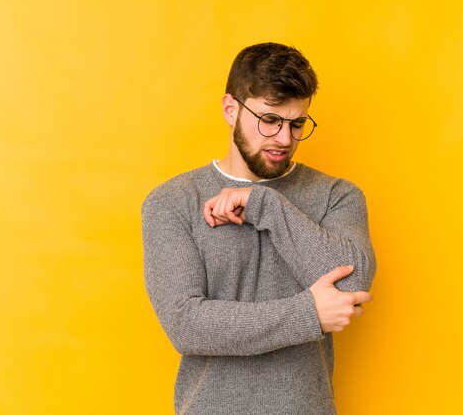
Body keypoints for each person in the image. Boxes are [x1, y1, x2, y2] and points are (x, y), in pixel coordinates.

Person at [141, 42, 376, 415]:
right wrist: (307, 314)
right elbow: (187, 324)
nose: (284, 139)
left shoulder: (337, 195)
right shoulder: (172, 202)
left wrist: (264, 204)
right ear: (230, 109)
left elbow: (352, 284)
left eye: (297, 123)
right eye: (270, 120)